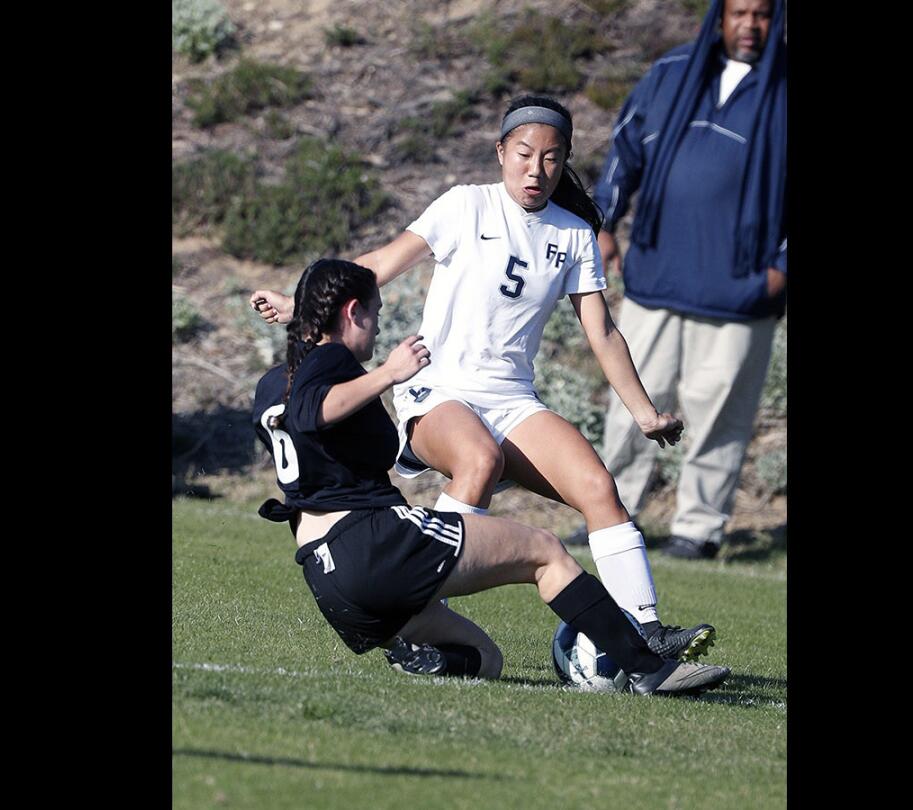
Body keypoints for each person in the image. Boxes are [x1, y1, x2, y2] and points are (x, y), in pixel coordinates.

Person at [252, 95, 715, 661]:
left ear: (564, 160)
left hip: (512, 401)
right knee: (478, 459)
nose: (536, 169)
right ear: (500, 152)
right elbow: (373, 267)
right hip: (438, 391)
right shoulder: (464, 206)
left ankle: (644, 631)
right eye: (523, 153)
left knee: (599, 488)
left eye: (551, 158)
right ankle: (414, 612)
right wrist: (303, 310)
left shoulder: (573, 236)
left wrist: (644, 413)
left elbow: (603, 334)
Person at [251, 258, 729, 695]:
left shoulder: (273, 383)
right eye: (373, 315)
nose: (377, 332)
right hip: (372, 545)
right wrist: (389, 374)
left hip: (329, 579)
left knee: (486, 660)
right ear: (353, 312)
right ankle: (648, 667)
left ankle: (430, 661)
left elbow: (305, 415)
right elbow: (313, 410)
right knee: (545, 551)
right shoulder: (332, 364)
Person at [581, 0, 787, 559]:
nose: (750, 25)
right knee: (631, 403)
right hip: (657, 274)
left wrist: (778, 272)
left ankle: (698, 531)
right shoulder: (672, 73)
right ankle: (610, 510)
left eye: (763, 14)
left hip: (741, 291)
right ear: (719, 16)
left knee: (720, 415)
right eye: (740, 12)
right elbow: (624, 154)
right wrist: (604, 222)